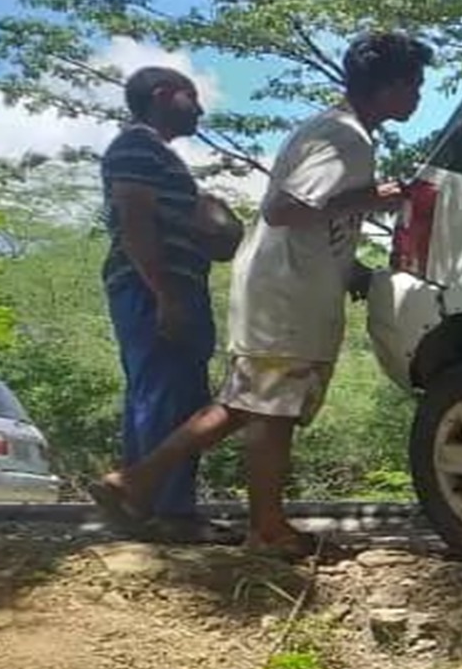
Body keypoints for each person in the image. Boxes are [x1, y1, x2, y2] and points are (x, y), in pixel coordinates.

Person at [93, 32, 432, 552]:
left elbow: (313, 222)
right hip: (286, 295)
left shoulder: (341, 131)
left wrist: (353, 272)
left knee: (255, 403)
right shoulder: (343, 135)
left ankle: (162, 489)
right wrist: (376, 196)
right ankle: (251, 522)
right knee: (264, 406)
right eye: (414, 84)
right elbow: (286, 209)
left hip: (288, 286)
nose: (419, 96)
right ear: (389, 86)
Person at [100, 67, 240, 524]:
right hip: (154, 286)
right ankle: (168, 511)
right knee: (166, 392)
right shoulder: (137, 146)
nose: (199, 108)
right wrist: (165, 293)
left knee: (171, 391)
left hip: (174, 284)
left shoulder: (159, 156)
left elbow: (210, 235)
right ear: (162, 96)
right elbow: (135, 220)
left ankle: (142, 502)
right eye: (190, 96)